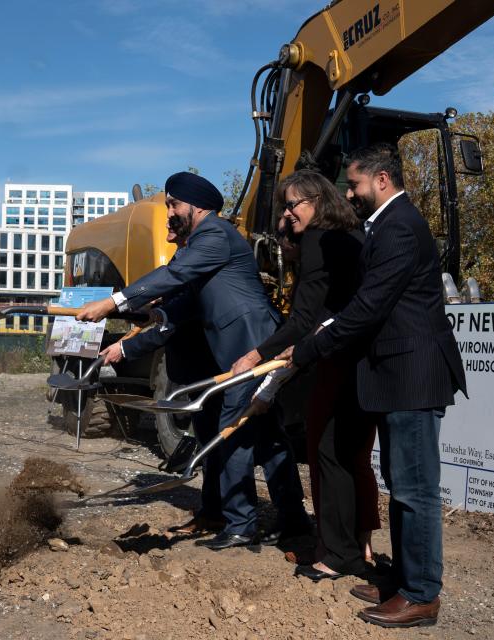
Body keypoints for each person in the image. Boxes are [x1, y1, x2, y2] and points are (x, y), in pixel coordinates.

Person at [278, 143, 467, 628]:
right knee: (402, 484)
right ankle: (403, 580)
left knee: (416, 490)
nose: (350, 193)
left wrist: (305, 350)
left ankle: (422, 594)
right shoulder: (382, 227)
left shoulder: (400, 226)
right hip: (394, 376)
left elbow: (367, 308)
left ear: (382, 180)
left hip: (413, 376)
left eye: (356, 184)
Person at [77, 171, 309, 550]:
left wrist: (112, 302)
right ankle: (289, 520)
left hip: (250, 345)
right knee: (264, 437)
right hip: (235, 349)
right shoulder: (201, 241)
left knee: (232, 433)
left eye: (174, 204)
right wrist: (159, 315)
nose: (169, 211)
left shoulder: (214, 235)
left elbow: (175, 275)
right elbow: (188, 299)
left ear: (197, 207)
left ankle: (241, 524)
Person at [231, 169, 378, 582]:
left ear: (315, 201)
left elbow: (304, 319)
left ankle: (333, 553)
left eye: (293, 205)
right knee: (352, 457)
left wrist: (256, 354)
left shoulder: (319, 239)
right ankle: (354, 545)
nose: (289, 214)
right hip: (362, 357)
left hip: (337, 359)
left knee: (327, 454)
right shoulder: (353, 234)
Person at [99, 230, 224, 536]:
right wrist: (152, 312)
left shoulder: (195, 263)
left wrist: (125, 347)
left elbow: (175, 322)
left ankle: (232, 515)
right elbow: (169, 312)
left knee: (220, 445)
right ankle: (214, 511)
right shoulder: (183, 257)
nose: (167, 216)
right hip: (194, 369)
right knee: (211, 444)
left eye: (173, 207)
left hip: (207, 365)